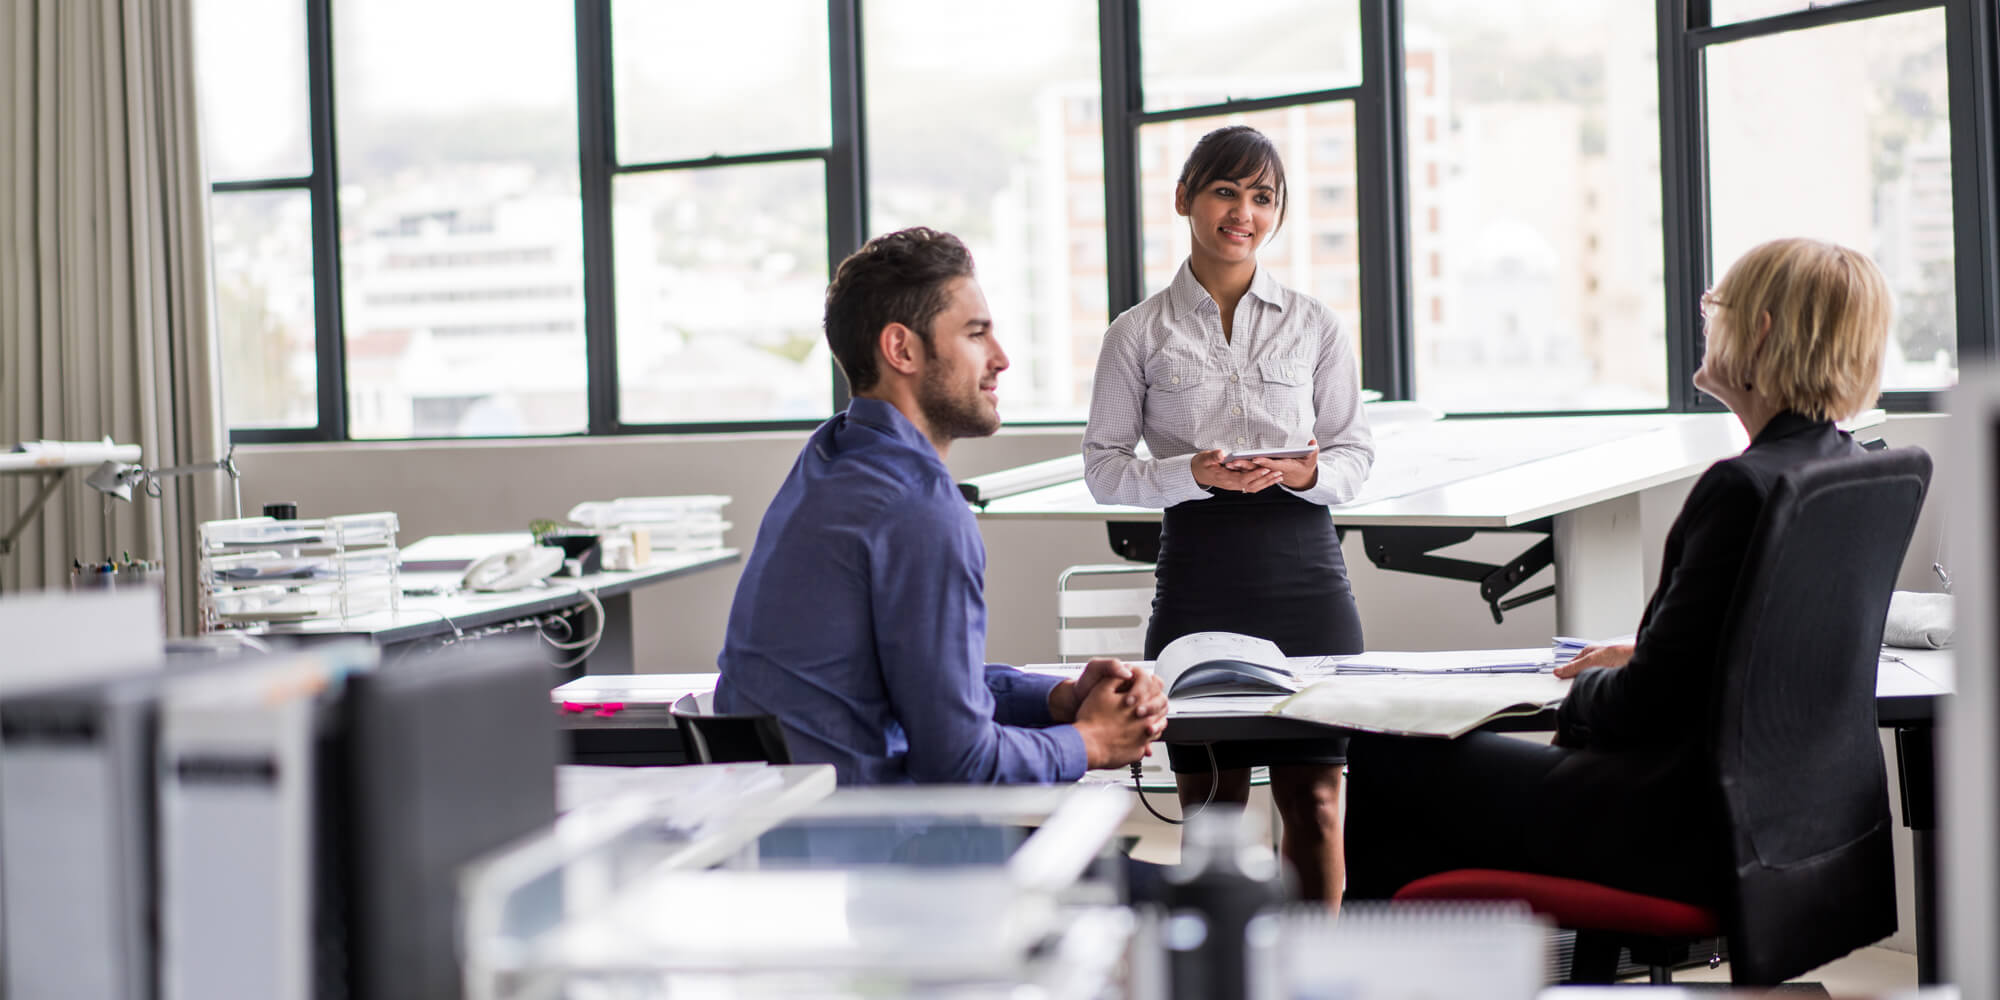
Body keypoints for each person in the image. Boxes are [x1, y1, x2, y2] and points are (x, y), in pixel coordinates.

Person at [1342, 237, 1895, 905]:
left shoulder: (1743, 488)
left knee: (1386, 758)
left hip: (1673, 824)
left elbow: (1643, 707)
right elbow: (1770, 647)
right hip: (1776, 823)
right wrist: (1655, 655)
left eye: (1717, 304)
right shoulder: (1847, 470)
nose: (1707, 319)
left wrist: (1591, 689)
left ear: (1761, 330)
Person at [715, 226, 1168, 788]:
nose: (1001, 359)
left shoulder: (831, 455)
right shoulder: (915, 508)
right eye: (976, 335)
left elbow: (927, 686)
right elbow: (960, 764)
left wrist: (1061, 697)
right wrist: (1092, 742)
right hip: (869, 850)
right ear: (901, 349)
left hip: (789, 831)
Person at [1081, 125, 1374, 903]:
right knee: (1214, 814)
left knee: (1315, 805)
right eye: (1225, 191)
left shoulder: (1315, 324)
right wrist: (1191, 473)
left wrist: (1308, 471)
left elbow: (1355, 458)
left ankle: (1317, 982)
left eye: (1262, 197)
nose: (1243, 212)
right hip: (1198, 586)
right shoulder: (1136, 333)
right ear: (1185, 198)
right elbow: (1103, 471)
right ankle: (1221, 974)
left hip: (1308, 580)